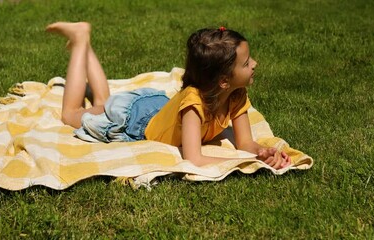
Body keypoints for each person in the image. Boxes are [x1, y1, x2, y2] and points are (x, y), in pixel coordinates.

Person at [46, 22, 291, 169]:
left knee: (102, 104)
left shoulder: (236, 95)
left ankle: (85, 44)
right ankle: (80, 41)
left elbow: (246, 143)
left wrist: (262, 153)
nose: (255, 64)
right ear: (224, 81)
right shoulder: (194, 104)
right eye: (246, 63)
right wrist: (246, 164)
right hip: (136, 120)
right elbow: (194, 158)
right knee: (71, 115)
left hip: (159, 109)